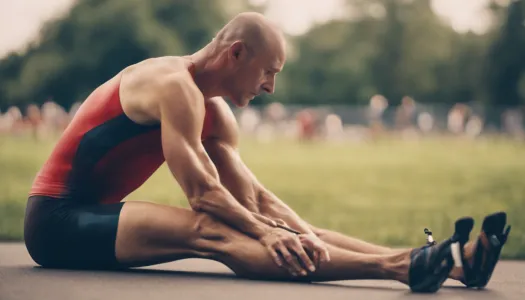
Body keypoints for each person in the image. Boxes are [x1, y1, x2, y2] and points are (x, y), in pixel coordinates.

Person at [24, 12, 510, 293]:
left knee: (286, 229)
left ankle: (449, 261)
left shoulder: (215, 112)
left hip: (96, 213)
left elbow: (258, 200)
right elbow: (203, 195)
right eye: (268, 72)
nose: (271, 87)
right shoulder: (172, 85)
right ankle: (401, 269)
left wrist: (283, 228)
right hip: (54, 221)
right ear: (235, 54)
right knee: (211, 230)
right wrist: (263, 232)